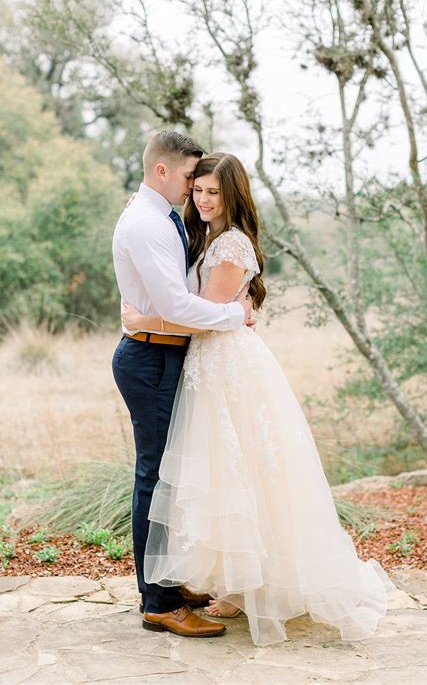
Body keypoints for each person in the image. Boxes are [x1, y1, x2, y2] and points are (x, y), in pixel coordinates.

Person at [121, 151, 394, 647]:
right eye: (198, 189)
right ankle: (234, 580)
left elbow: (205, 315)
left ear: (233, 195)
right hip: (209, 362)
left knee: (244, 470)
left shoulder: (231, 246)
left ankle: (252, 583)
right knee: (228, 470)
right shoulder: (202, 234)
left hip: (225, 365)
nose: (202, 199)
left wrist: (144, 321)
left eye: (212, 192)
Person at [112, 132, 253, 639]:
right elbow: (176, 308)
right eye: (192, 178)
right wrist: (234, 314)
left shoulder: (161, 217)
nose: (198, 189)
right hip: (151, 354)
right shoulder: (148, 223)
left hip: (164, 351)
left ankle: (169, 585)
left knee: (169, 474)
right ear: (163, 172)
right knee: (156, 477)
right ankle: (159, 603)